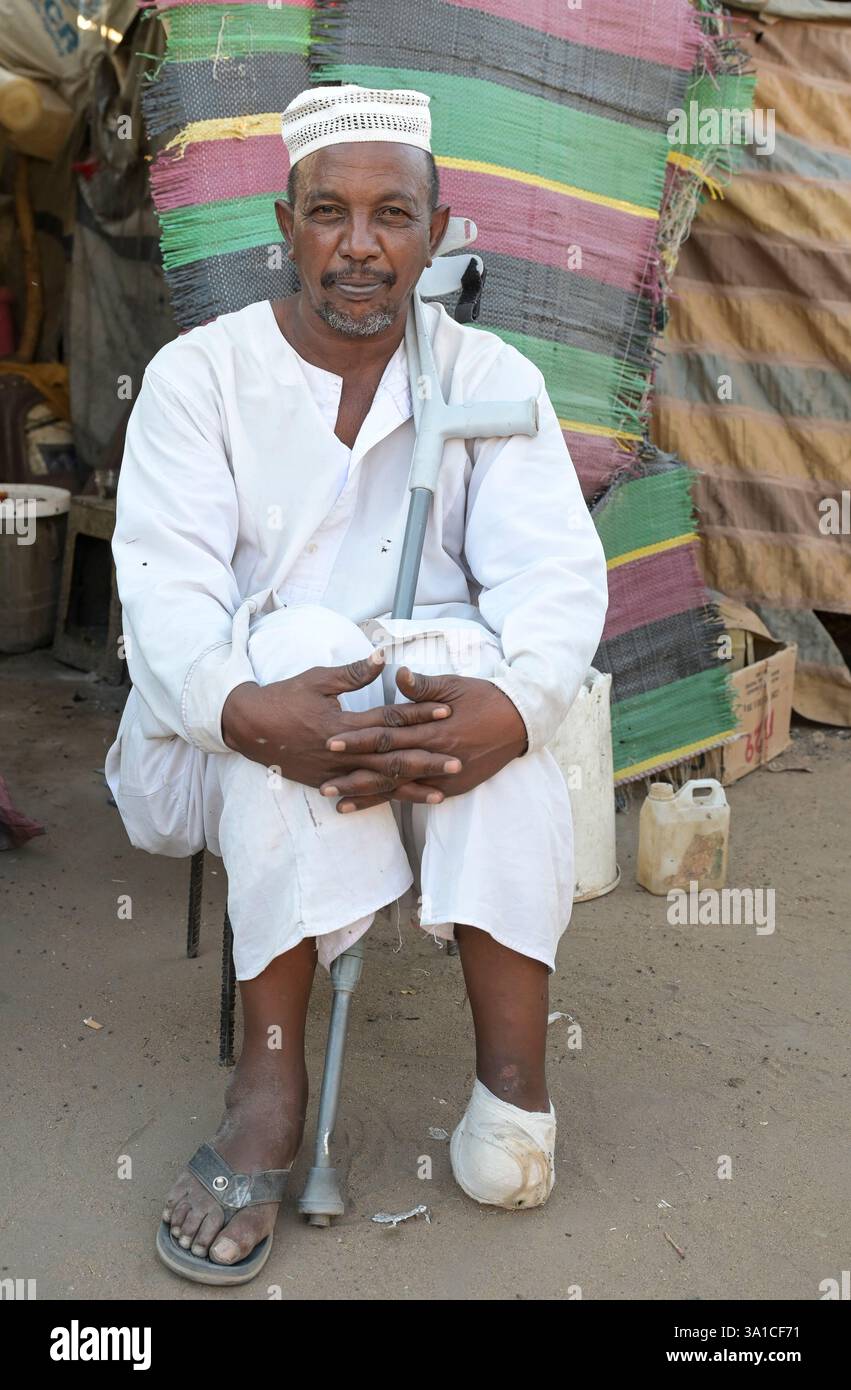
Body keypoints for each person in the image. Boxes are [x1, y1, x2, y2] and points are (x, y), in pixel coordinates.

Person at [105, 83, 608, 1285]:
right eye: (328, 213)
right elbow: (165, 597)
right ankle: (268, 1096)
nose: (359, 245)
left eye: (392, 214)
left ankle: (511, 1091)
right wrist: (248, 711)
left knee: (482, 676)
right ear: (285, 222)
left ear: (438, 230)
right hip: (232, 729)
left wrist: (514, 704)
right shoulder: (198, 377)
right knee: (295, 655)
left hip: (431, 739)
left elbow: (550, 577)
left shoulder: (492, 378)